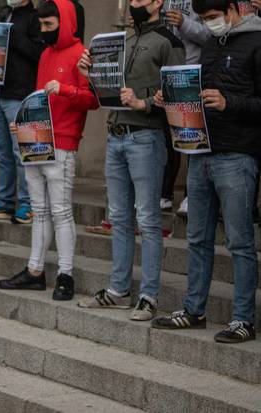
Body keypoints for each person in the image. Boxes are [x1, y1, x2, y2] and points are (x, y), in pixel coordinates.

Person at [151, 0, 261, 343]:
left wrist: (231, 103)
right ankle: (193, 309)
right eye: (203, 19)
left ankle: (243, 319)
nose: (208, 24)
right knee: (197, 238)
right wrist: (172, 96)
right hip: (200, 151)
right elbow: (196, 91)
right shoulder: (212, 44)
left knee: (240, 242)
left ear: (233, 9)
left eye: (213, 18)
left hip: (237, 155)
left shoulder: (257, 42)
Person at [76, 0, 185, 321]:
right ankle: (119, 290)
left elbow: (178, 94)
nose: (134, 3)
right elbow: (107, 90)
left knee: (148, 219)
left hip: (147, 137)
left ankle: (149, 296)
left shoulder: (170, 42)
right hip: (116, 134)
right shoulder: (123, 40)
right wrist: (89, 72)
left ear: (158, 3)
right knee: (119, 217)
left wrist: (144, 102)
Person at [0, 0, 98, 300]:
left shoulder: (80, 54)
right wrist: (23, 125)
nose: (43, 30)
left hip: (63, 142)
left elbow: (92, 100)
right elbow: (39, 100)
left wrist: (64, 89)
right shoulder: (45, 55)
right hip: (37, 139)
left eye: (49, 25)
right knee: (40, 210)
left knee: (61, 211)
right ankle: (35, 270)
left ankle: (65, 274)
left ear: (64, 23)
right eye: (41, 25)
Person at [0, 0, 43, 224]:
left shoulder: (35, 17)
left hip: (19, 92)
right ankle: (4, 201)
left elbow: (40, 53)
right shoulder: (4, 13)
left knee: (21, 151)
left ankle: (27, 203)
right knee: (1, 151)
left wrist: (15, 38)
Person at [160, 0, 211, 214]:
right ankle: (164, 193)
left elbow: (210, 36)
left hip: (191, 72)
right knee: (166, 137)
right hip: (167, 70)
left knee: (190, 135)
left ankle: (191, 195)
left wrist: (184, 23)